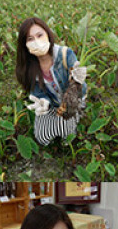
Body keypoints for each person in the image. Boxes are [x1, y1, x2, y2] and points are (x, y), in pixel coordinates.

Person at [15, 17, 87, 146]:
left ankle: (70, 122)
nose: (37, 42)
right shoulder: (29, 66)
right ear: (25, 45)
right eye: (30, 39)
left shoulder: (65, 54)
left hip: (71, 103)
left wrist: (78, 82)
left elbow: (81, 89)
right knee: (43, 137)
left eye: (39, 35)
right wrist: (44, 102)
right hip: (52, 104)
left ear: (47, 34)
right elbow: (37, 92)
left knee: (66, 134)